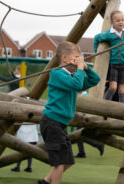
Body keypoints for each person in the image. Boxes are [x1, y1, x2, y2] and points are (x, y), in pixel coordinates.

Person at [35, 41, 100, 184]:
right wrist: (80, 68)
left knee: (68, 161)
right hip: (52, 123)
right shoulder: (57, 73)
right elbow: (77, 85)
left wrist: (86, 68)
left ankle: (45, 182)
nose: (78, 59)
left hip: (60, 125)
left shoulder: (72, 75)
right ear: (64, 58)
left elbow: (95, 79)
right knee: (59, 162)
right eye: (76, 56)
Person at [74, 91, 104, 158]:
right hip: (83, 119)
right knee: (78, 136)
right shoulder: (84, 96)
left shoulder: (83, 97)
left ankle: (98, 145)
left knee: (79, 136)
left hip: (83, 120)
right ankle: (81, 153)